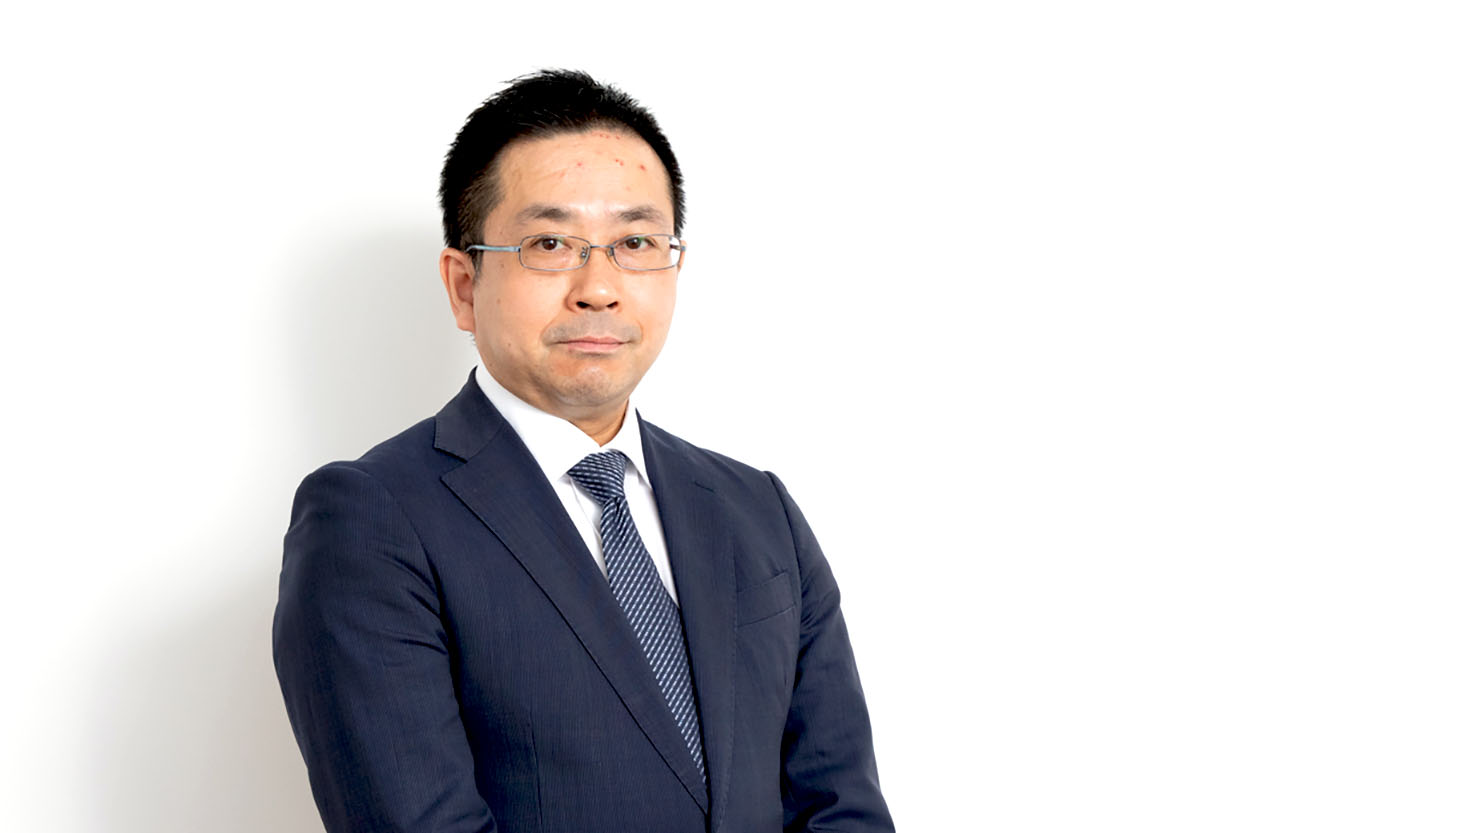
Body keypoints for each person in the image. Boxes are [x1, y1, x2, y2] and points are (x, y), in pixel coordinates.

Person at [272, 69, 893, 833]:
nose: (599, 287)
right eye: (550, 243)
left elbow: (842, 807)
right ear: (464, 285)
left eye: (635, 242)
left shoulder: (757, 509)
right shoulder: (372, 520)